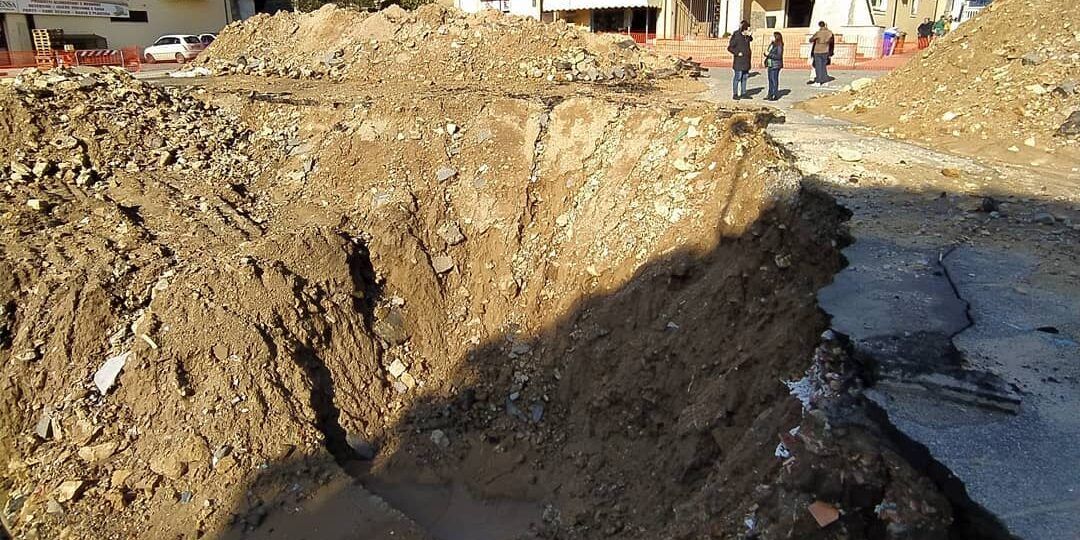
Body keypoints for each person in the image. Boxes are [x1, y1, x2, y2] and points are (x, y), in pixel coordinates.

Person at [728, 20, 753, 100]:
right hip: (739, 61)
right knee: (738, 77)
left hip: (746, 60)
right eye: (748, 30)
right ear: (743, 29)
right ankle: (735, 94)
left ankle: (743, 93)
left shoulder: (747, 37)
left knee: (745, 78)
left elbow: (751, 40)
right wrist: (737, 53)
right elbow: (730, 47)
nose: (749, 31)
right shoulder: (737, 35)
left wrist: (750, 35)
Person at [809, 21, 834, 87]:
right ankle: (825, 80)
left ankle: (818, 81)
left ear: (819, 25)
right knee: (823, 67)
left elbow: (811, 39)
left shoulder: (818, 33)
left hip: (818, 51)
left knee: (818, 67)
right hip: (826, 50)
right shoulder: (830, 33)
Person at [764, 32, 784, 101]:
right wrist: (765, 53)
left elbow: (778, 56)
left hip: (776, 65)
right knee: (770, 80)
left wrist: (769, 54)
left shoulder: (779, 45)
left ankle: (774, 94)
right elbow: (768, 52)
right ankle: (770, 94)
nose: (771, 37)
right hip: (770, 64)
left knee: (774, 79)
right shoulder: (772, 44)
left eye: (772, 36)